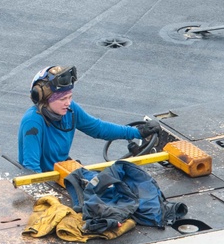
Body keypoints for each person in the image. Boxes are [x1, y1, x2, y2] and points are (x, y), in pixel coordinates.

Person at [17, 65, 160, 173]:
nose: (68, 103)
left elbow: (98, 128)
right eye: (62, 99)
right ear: (43, 99)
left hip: (62, 171)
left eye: (70, 97)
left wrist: (137, 132)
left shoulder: (70, 110)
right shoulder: (33, 122)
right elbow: (31, 168)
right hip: (46, 179)